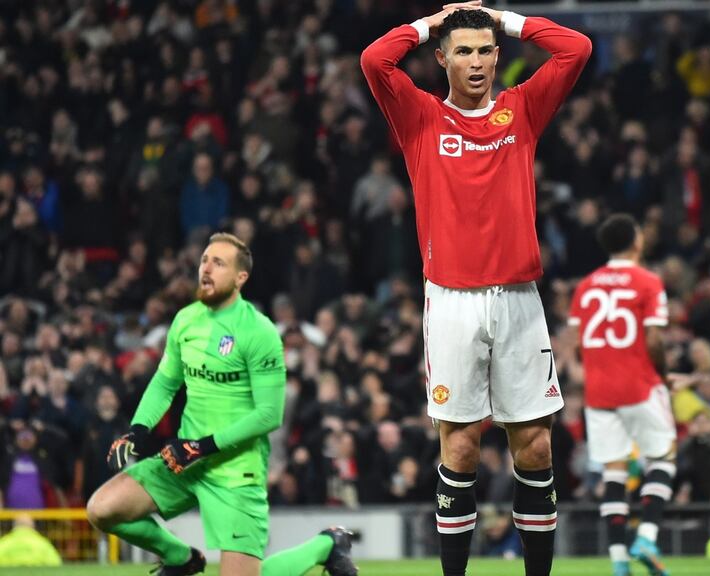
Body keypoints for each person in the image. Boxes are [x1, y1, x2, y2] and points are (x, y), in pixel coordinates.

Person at [361, 2, 591, 575]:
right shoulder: (420, 119)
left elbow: (577, 48)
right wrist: (426, 23)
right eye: (462, 50)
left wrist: (504, 18)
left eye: (486, 50)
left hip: (519, 299)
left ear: (499, 56)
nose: (476, 61)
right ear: (441, 59)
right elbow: (374, 59)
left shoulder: (522, 109)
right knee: (460, 447)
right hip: (453, 301)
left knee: (535, 447)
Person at [85, 232, 358, 576]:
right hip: (184, 462)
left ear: (240, 277)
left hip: (234, 470)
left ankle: (327, 544)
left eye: (219, 263)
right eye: (204, 260)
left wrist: (203, 446)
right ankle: (181, 559)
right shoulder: (186, 319)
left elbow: (269, 414)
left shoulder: (259, 332)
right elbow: (166, 381)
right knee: (102, 509)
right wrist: (138, 430)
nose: (206, 269)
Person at [568, 214, 675, 576]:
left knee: (614, 473)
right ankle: (646, 536)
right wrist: (663, 374)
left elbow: (577, 342)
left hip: (598, 393)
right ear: (636, 241)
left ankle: (618, 563)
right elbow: (655, 338)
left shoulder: (586, 286)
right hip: (640, 385)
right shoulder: (647, 281)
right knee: (663, 457)